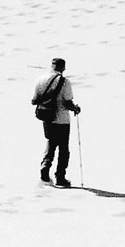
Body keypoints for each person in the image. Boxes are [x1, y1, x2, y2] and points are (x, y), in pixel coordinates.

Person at [32, 57, 82, 187]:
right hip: (62, 119)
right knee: (63, 149)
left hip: (47, 117)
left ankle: (45, 166)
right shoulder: (65, 82)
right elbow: (68, 102)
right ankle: (60, 177)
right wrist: (76, 109)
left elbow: (34, 100)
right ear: (63, 68)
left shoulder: (40, 80)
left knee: (51, 142)